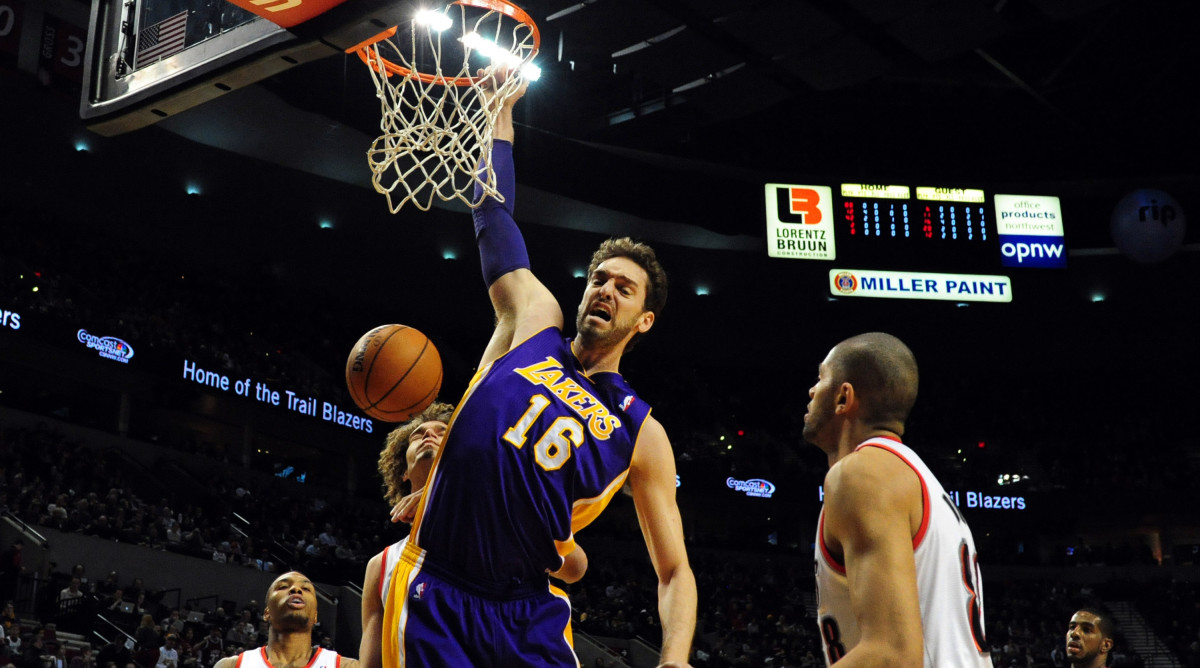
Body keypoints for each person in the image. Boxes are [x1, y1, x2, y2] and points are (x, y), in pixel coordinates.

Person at [375, 74, 696, 668]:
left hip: (529, 612)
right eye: (600, 279)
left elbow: (675, 569)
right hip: (439, 587)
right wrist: (499, 110)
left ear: (644, 320)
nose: (606, 291)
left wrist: (674, 660)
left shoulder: (642, 433)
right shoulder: (535, 322)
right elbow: (493, 214)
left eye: (625, 289)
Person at [804, 332, 993, 667]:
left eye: (820, 379)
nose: (812, 390)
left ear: (843, 397)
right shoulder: (916, 479)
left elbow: (892, 655)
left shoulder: (863, 475)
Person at [360, 403, 589, 668]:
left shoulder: (503, 517)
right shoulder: (382, 565)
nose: (428, 435)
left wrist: (462, 495)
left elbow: (576, 567)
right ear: (403, 472)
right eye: (417, 435)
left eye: (441, 432)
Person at [214, 572, 358, 668]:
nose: (296, 589)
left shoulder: (346, 666)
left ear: (315, 616)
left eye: (306, 589)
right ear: (267, 613)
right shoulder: (232, 666)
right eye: (283, 587)